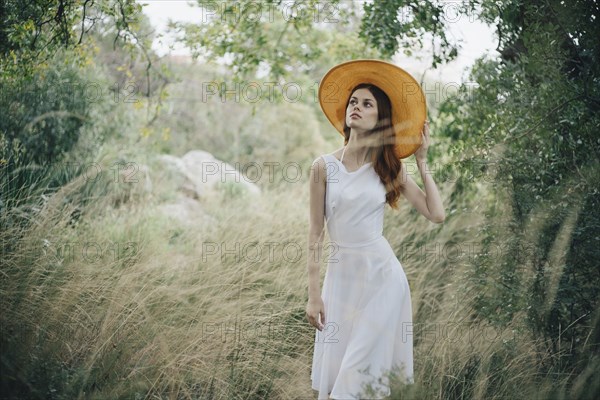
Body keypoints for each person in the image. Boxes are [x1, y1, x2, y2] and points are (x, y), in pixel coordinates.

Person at [306, 60, 445, 400]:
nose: (357, 107)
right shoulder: (323, 167)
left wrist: (422, 160)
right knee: (341, 372)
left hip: (382, 280)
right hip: (340, 281)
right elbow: (314, 234)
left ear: (379, 118)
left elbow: (436, 213)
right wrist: (313, 295)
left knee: (357, 377)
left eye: (367, 104)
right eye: (354, 101)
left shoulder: (388, 169)